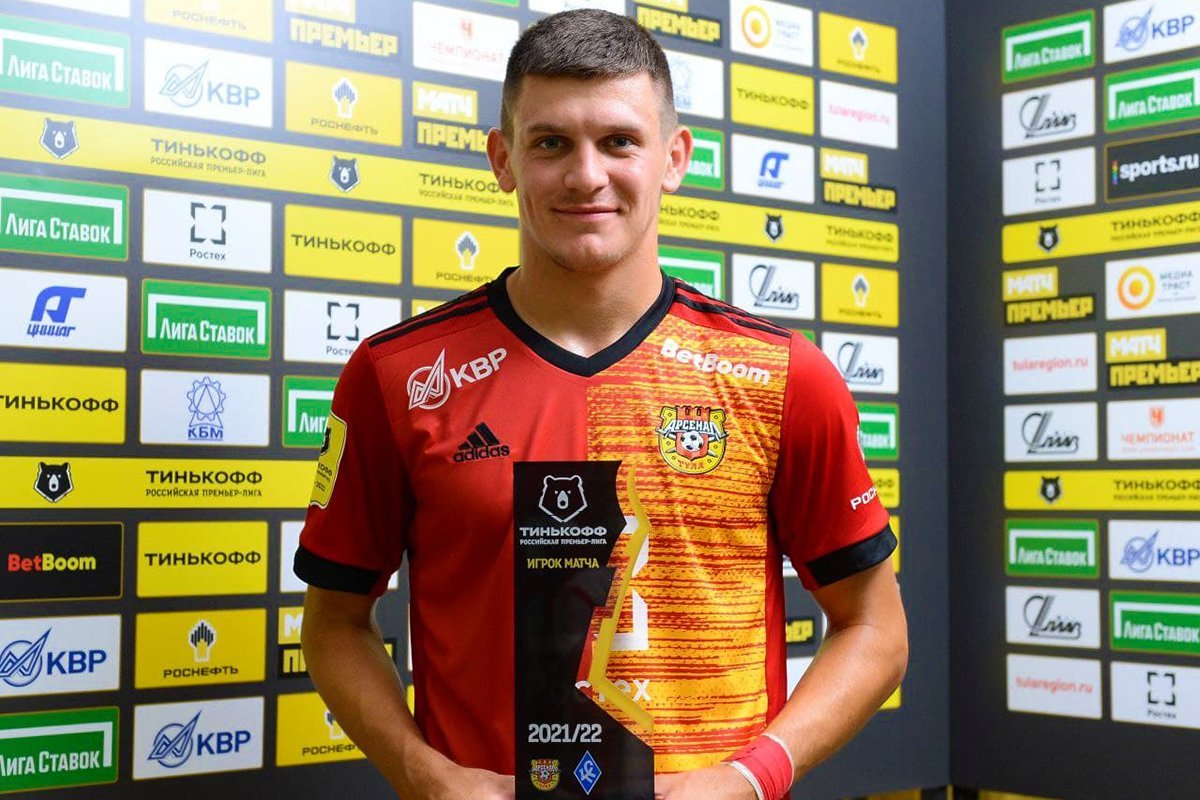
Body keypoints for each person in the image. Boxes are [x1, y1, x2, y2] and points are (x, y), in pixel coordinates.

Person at [297, 9, 907, 800]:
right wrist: (427, 776)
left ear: (674, 158)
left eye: (619, 141)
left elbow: (875, 628)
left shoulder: (783, 376)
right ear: (503, 159)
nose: (586, 176)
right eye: (551, 142)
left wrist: (750, 778)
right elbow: (334, 624)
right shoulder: (399, 376)